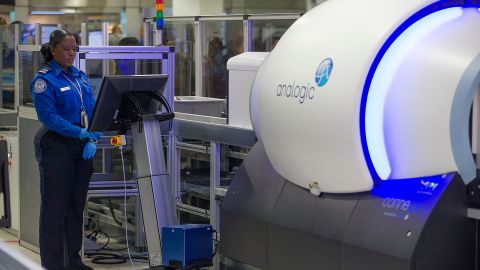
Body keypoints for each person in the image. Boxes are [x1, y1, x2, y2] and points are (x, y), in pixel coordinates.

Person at [31, 29, 101, 270]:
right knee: (55, 206)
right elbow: (48, 117)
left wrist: (94, 136)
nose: (71, 54)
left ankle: (73, 261)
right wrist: (79, 132)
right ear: (53, 50)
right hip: (57, 145)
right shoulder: (44, 80)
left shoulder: (80, 78)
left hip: (82, 147)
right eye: (66, 49)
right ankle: (53, 264)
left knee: (75, 206)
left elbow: (94, 110)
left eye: (74, 49)